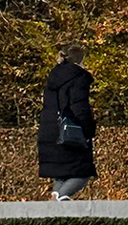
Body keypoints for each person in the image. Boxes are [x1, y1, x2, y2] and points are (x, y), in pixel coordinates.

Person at [38, 45, 97, 200]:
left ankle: (56, 197)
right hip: (70, 132)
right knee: (83, 172)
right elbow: (79, 107)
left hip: (49, 132)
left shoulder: (53, 78)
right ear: (81, 60)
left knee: (62, 174)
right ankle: (60, 198)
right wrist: (89, 130)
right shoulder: (78, 78)